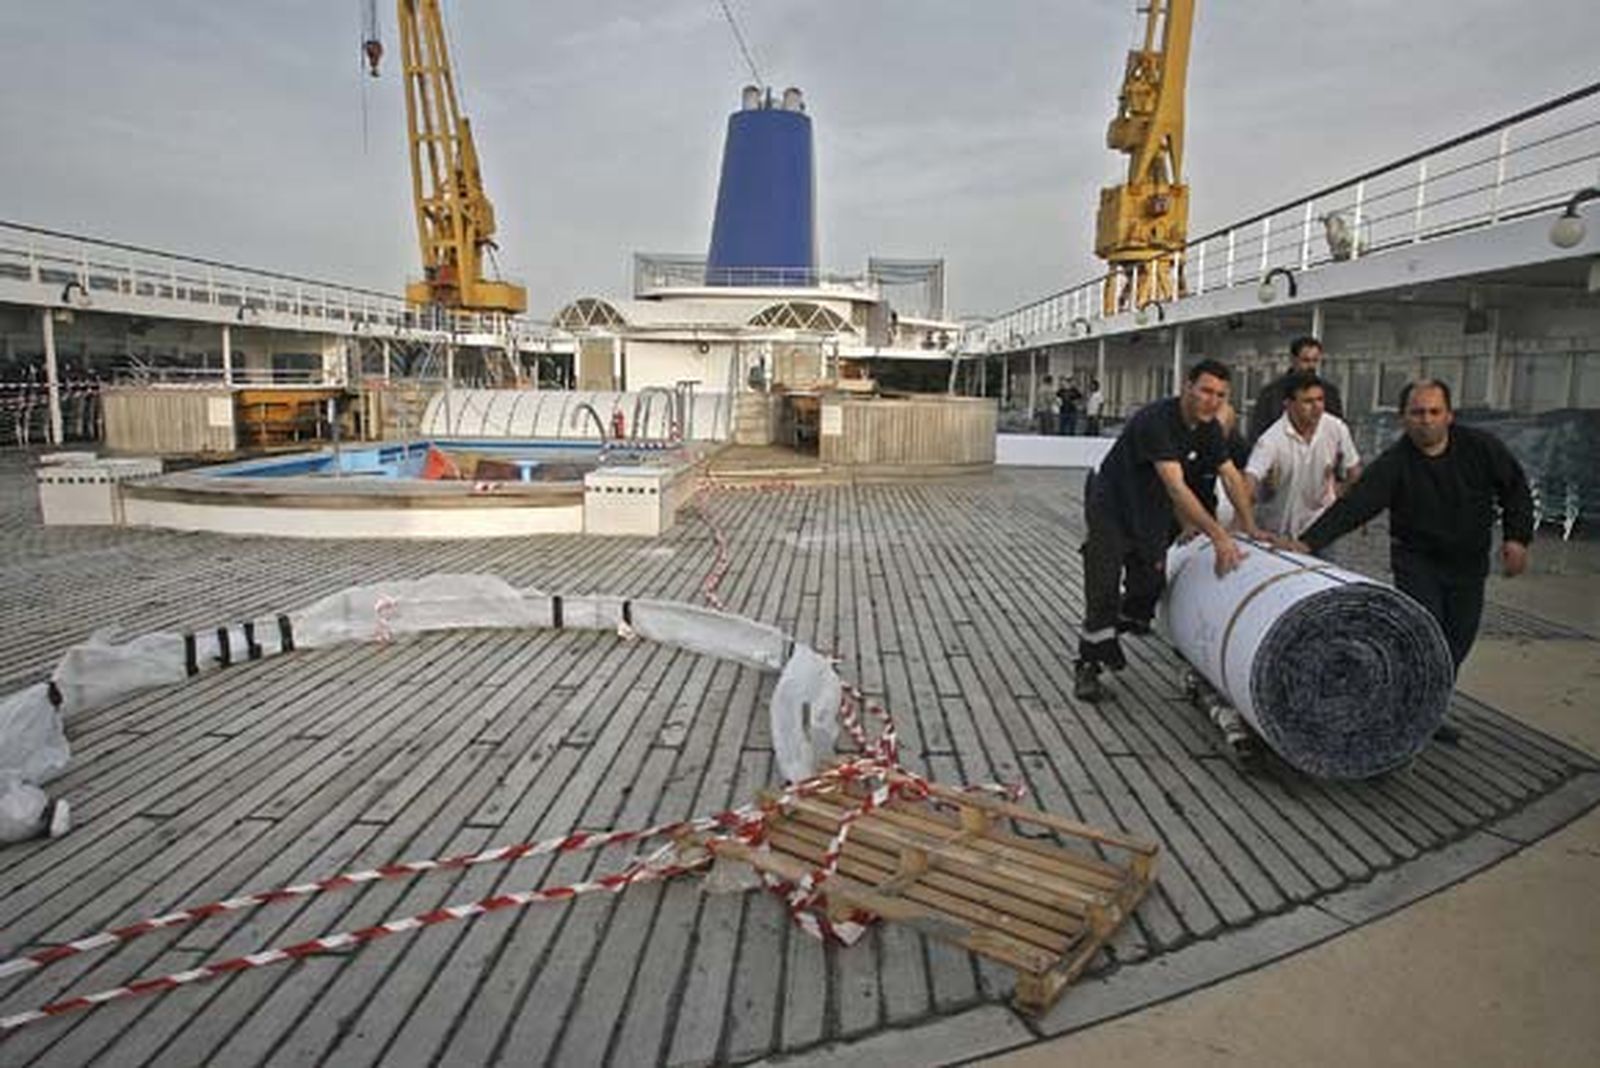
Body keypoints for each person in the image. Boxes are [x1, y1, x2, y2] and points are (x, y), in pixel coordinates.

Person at [1290, 379, 1533, 742]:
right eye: (1417, 413)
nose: (1426, 420)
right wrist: (1308, 543)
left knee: (1457, 642)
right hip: (1418, 562)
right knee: (1425, 636)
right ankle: (1409, 717)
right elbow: (1356, 506)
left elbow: (1516, 489)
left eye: (1434, 412)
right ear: (1404, 418)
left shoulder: (1481, 449)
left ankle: (1427, 709)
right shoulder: (1395, 464)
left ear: (1449, 415)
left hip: (1467, 565)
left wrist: (1517, 538)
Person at [1074, 359, 1262, 702]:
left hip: (1150, 513)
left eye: (1220, 394)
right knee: (1102, 582)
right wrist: (1219, 536)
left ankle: (1111, 629)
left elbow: (1231, 476)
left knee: (1149, 586)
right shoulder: (1156, 420)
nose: (1212, 400)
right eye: (1205, 390)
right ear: (1186, 387)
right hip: (1112, 508)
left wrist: (1250, 527)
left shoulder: (1208, 431)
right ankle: (1089, 664)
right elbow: (1176, 487)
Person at [1244, 371, 1361, 540]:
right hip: (1277, 531)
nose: (1317, 407)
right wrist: (1246, 522)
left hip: (1321, 526)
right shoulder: (1272, 439)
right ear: (1289, 404)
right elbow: (1250, 479)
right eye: (1308, 401)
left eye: (1320, 399)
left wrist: (1342, 495)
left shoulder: (1336, 428)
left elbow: (1354, 470)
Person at [1248, 336, 1344, 448]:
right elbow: (1258, 432)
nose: (1311, 366)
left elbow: (1338, 431)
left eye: (1315, 360)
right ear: (1293, 360)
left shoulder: (1329, 393)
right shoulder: (1271, 393)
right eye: (1306, 360)